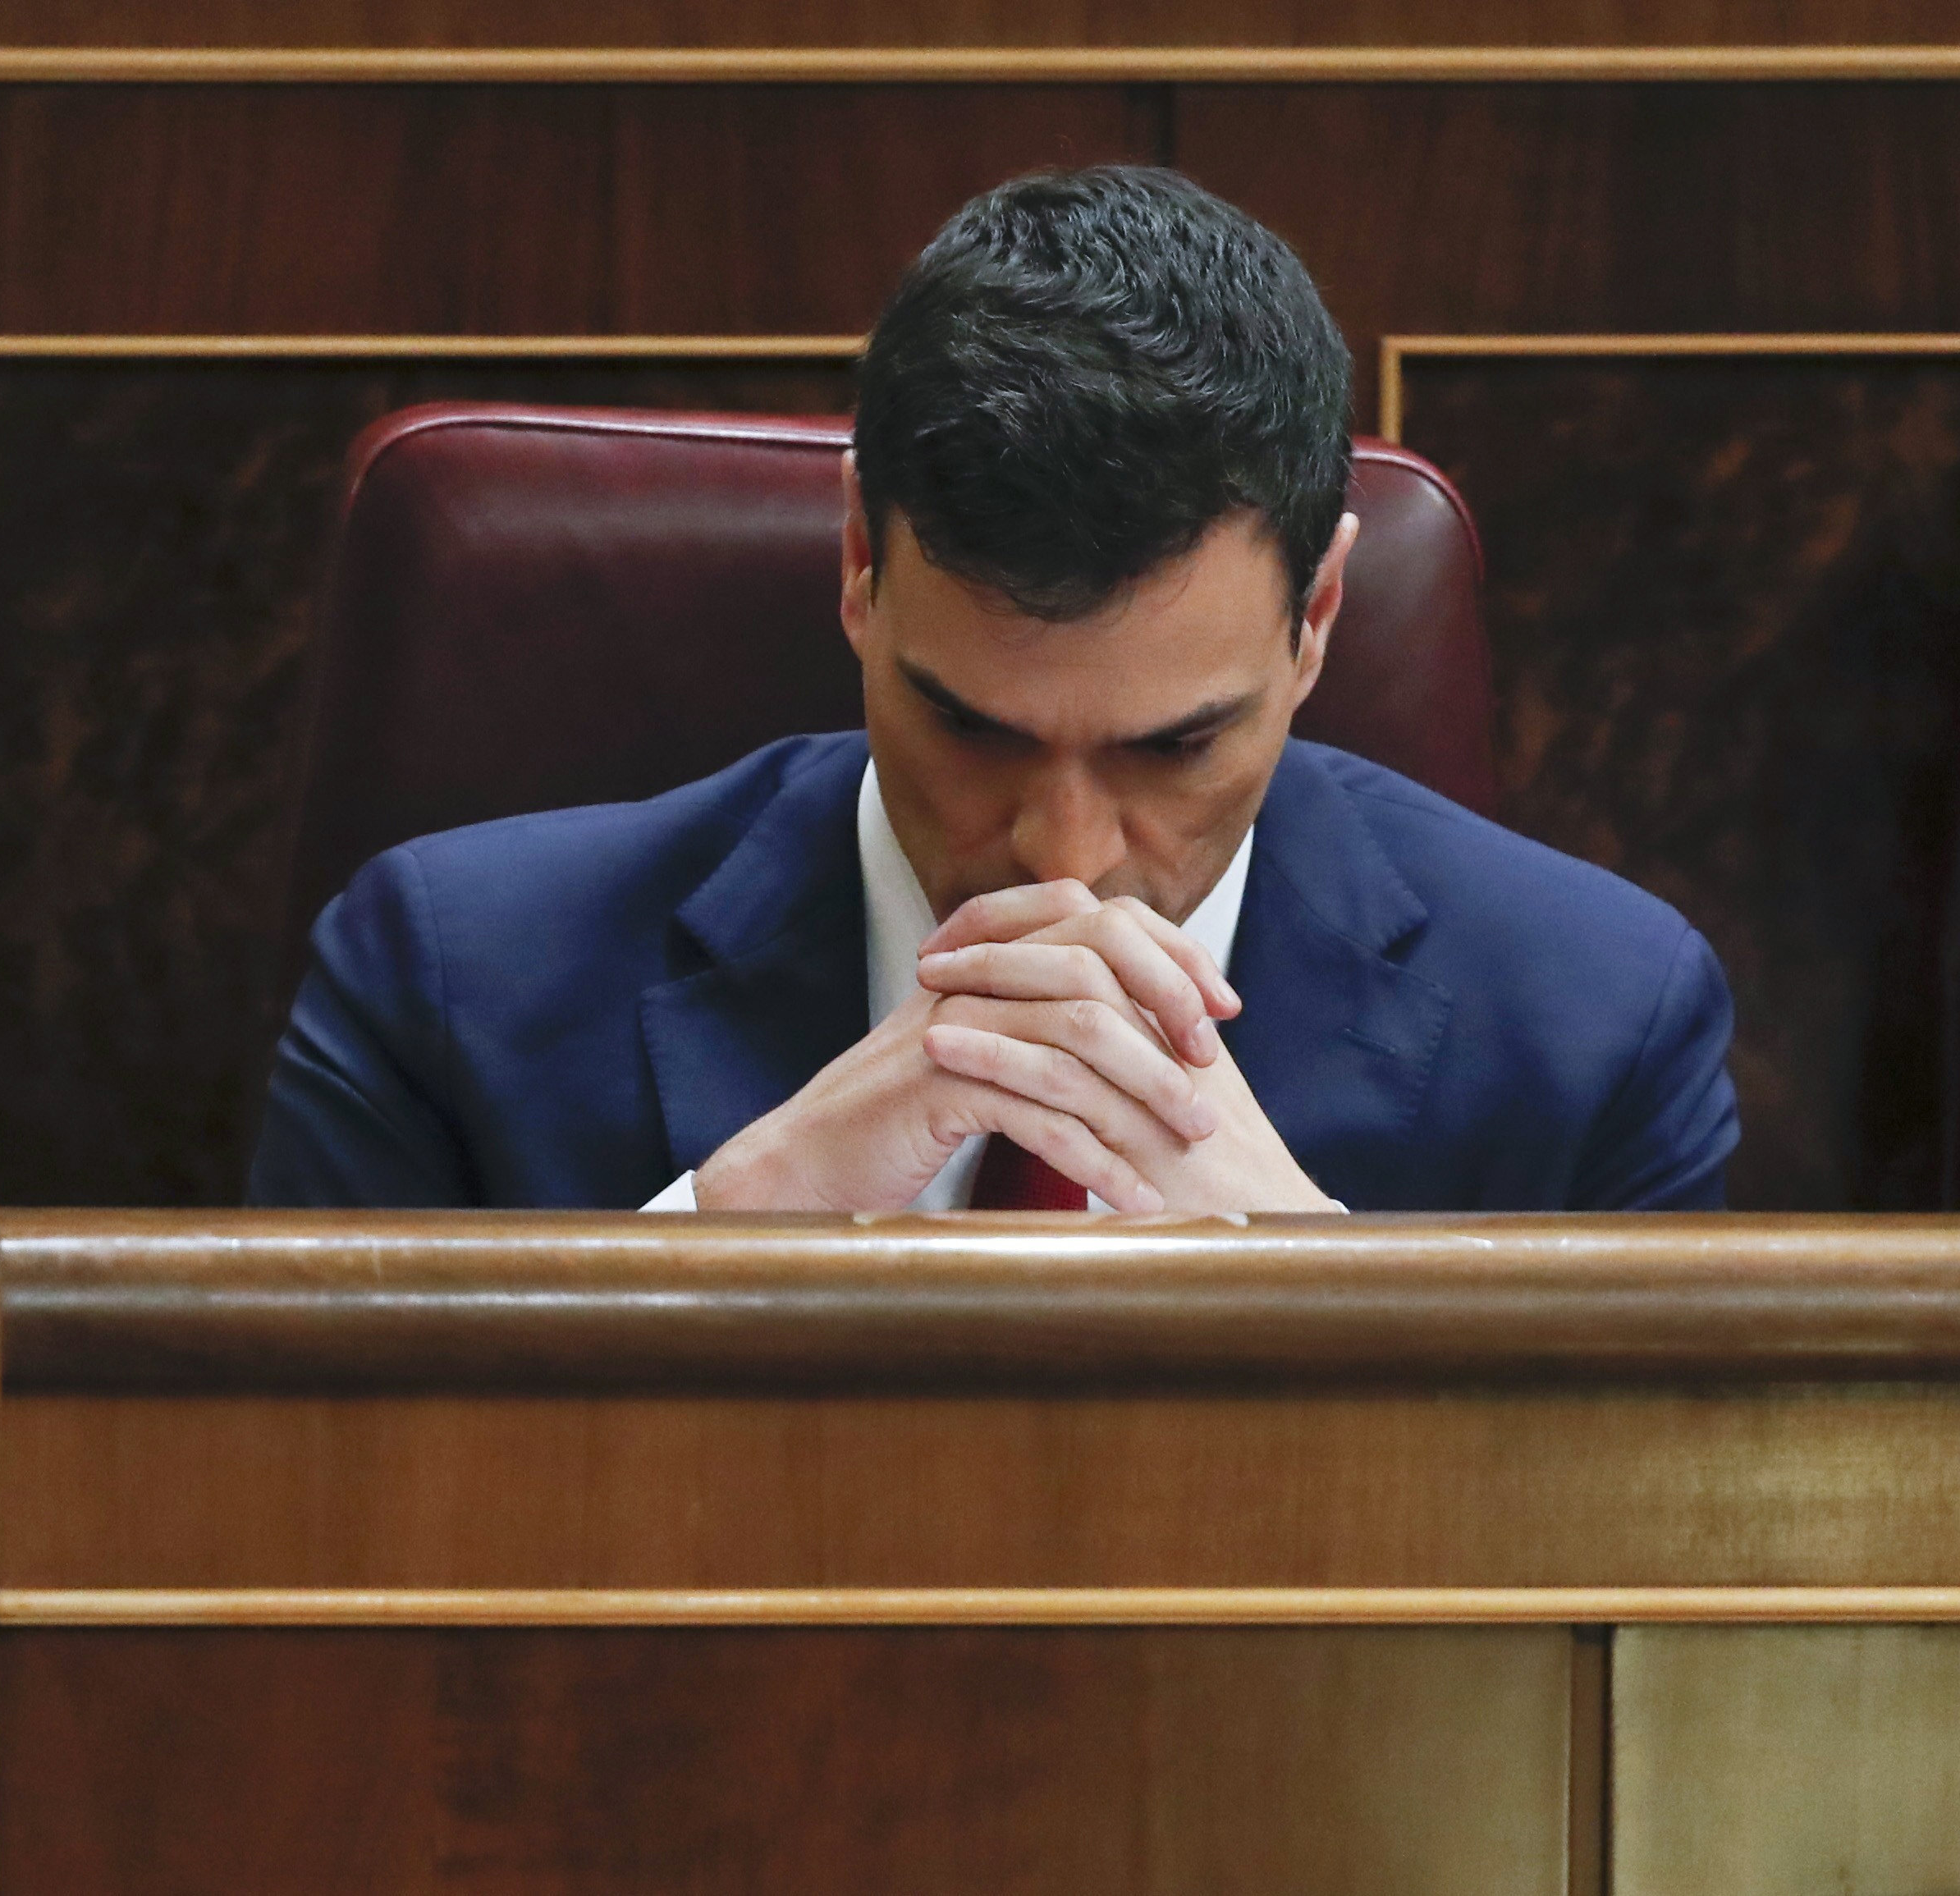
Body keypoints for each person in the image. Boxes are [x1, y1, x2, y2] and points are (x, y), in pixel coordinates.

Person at [248, 166, 1738, 1214]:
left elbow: (1649, 1628)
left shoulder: (1600, 1030)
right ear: (856, 566)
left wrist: (1315, 1306)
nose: (1065, 853)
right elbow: (287, 1570)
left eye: (1177, 745)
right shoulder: (441, 985)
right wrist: (723, 1237)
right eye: (973, 724)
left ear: (1320, 616)